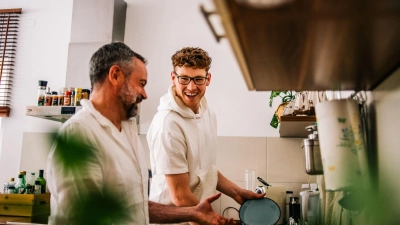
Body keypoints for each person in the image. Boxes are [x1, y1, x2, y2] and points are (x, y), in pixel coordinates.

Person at [47, 42, 234, 225]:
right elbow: (84, 216)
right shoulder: (80, 135)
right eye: (141, 83)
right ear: (115, 75)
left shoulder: (127, 131)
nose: (145, 94)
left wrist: (194, 213)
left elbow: (136, 208)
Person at [147, 47, 265, 225]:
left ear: (208, 79)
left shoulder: (207, 114)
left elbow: (205, 169)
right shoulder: (168, 124)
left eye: (198, 79)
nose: (191, 87)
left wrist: (237, 192)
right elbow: (180, 196)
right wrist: (215, 220)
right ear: (173, 78)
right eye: (184, 79)